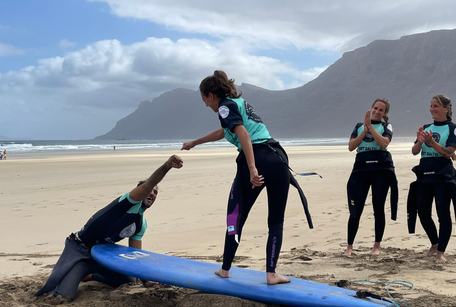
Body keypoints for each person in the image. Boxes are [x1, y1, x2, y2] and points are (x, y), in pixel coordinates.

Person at [182, 70, 308, 285]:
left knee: (235, 216)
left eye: (204, 99)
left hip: (257, 157)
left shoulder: (224, 106)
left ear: (211, 95)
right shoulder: (238, 102)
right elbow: (225, 132)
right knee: (276, 220)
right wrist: (195, 142)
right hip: (278, 158)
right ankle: (271, 274)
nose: (205, 104)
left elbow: (243, 134)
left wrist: (251, 168)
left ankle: (225, 269)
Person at [34, 154, 183, 300]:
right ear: (139, 192)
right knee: (63, 295)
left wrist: (145, 279)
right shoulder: (127, 202)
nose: (152, 193)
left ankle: (90, 275)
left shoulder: (140, 224)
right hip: (79, 249)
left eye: (156, 192)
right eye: (150, 190)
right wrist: (167, 166)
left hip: (101, 255)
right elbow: (147, 186)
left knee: (129, 279)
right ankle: (65, 272)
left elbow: (135, 255)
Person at [408, 95, 456, 264]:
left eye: (436, 106)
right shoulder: (426, 127)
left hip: (443, 177)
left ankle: (441, 252)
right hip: (424, 176)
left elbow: (448, 152)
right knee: (423, 213)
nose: (432, 109)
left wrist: (432, 143)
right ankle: (434, 243)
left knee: (443, 214)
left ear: (446, 108)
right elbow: (415, 151)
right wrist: (421, 142)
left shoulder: (454, 128)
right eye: (431, 106)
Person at [345, 98, 398, 256]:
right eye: (375, 108)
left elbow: (384, 143)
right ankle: (349, 247)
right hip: (361, 170)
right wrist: (365, 129)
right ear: (371, 108)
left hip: (380, 171)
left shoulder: (386, 126)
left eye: (381, 110)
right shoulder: (358, 126)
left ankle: (376, 246)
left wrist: (371, 127)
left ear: (385, 113)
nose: (377, 111)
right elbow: (351, 147)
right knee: (356, 210)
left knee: (378, 208)